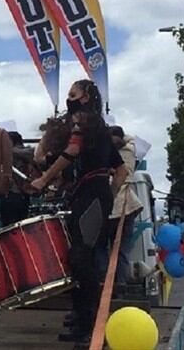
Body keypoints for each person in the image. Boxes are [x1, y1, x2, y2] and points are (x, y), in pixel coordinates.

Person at [31, 79, 128, 344]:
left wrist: (45, 179)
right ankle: (84, 323)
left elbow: (71, 152)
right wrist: (109, 193)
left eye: (73, 94)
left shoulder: (84, 121)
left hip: (92, 196)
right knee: (79, 259)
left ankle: (91, 330)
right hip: (92, 194)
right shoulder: (99, 127)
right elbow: (120, 170)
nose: (69, 98)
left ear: (86, 97)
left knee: (83, 259)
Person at [95, 126, 144, 287]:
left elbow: (122, 175)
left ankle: (106, 281)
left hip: (119, 205)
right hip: (126, 207)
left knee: (104, 246)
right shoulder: (130, 150)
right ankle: (118, 282)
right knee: (120, 249)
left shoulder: (122, 152)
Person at [0, 131, 32, 226]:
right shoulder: (28, 153)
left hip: (10, 194)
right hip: (24, 194)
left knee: (8, 227)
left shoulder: (8, 154)